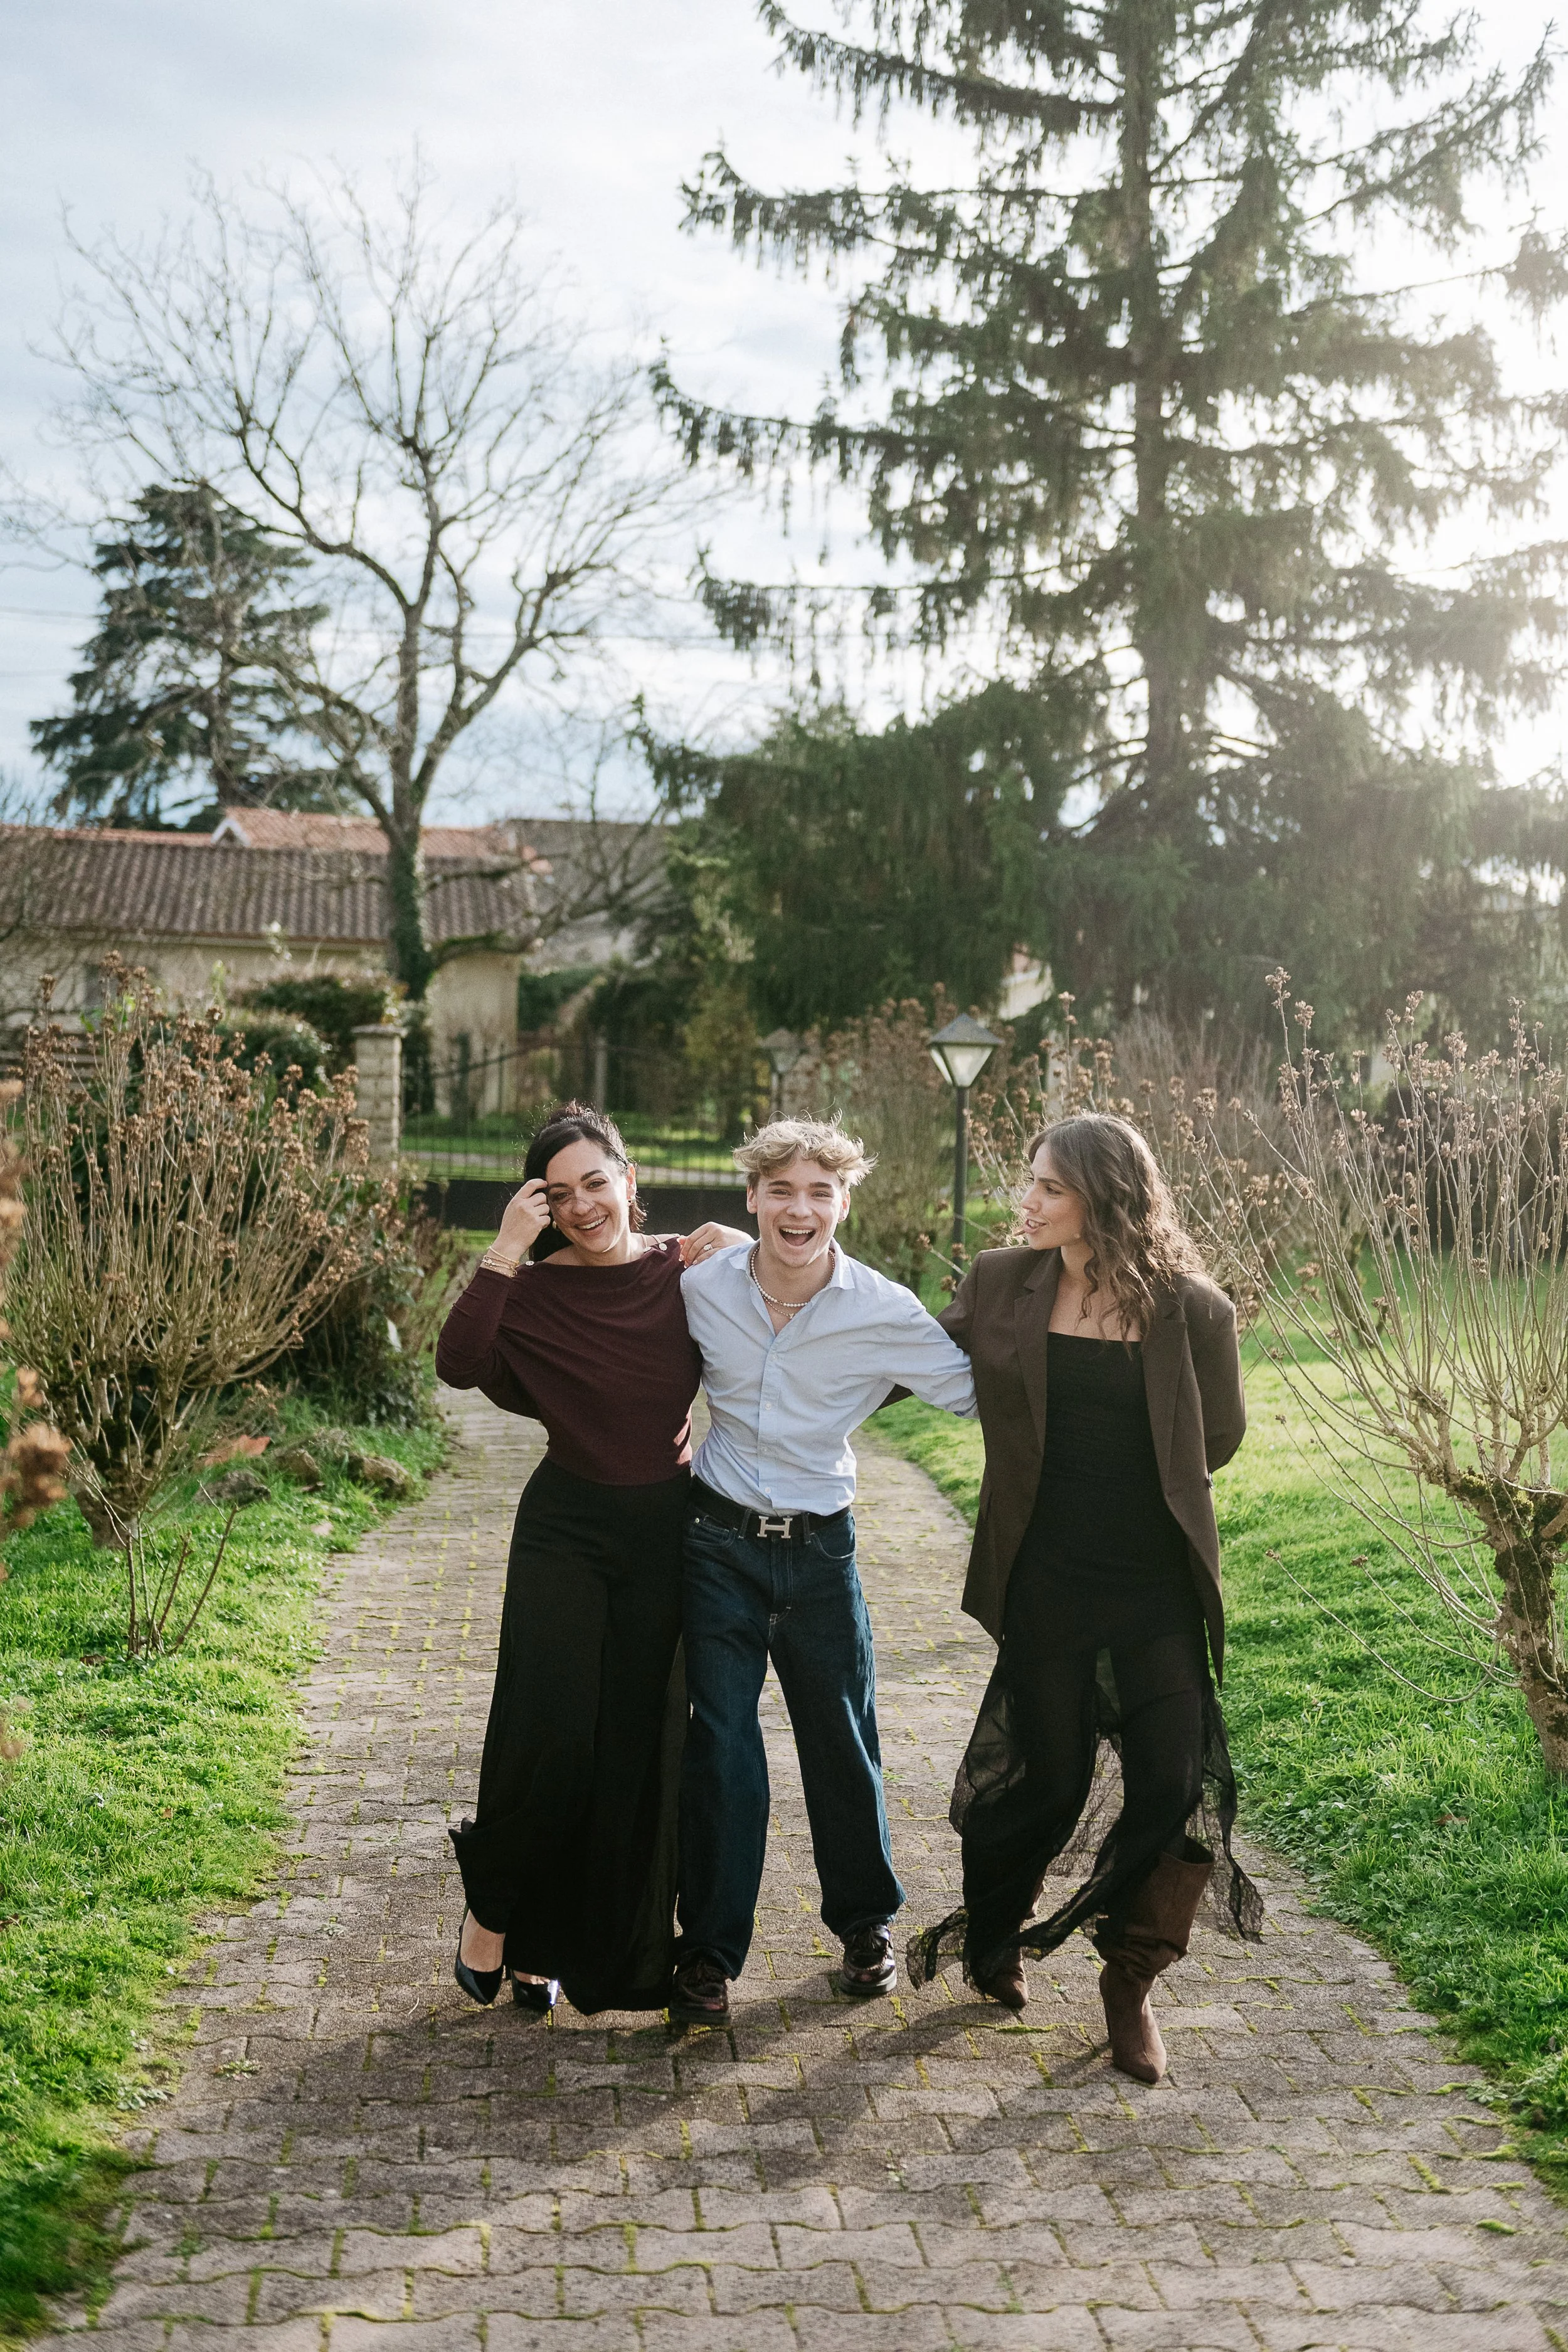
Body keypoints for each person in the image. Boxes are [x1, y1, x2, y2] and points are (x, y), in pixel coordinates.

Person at [908, 1112, 1263, 2083]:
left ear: (1103, 1198)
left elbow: (1217, 1437)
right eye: (1030, 1183)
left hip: (1152, 1582)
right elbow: (904, 1358)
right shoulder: (1001, 1285)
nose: (1027, 1201)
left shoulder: (1194, 1310)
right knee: (1053, 1777)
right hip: (1048, 1577)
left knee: (1173, 1778)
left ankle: (1132, 1978)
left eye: (1048, 1187)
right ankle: (993, 1929)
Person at [435, 1101, 746, 2017]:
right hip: (565, 1532)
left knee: (635, 1745)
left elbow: (791, 1309)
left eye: (596, 1185)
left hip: (666, 1532)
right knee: (551, 1734)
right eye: (558, 1195)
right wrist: (504, 1245)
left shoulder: (686, 1270)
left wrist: (740, 1244)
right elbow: (458, 1363)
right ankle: (496, 1915)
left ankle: (571, 1951)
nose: (581, 1206)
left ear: (630, 1180)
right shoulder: (529, 1292)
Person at [670, 1117, 978, 2026]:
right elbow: (622, 1270)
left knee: (843, 1742)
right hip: (716, 1542)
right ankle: (710, 1954)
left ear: (844, 1203)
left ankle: (866, 1925)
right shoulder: (701, 1285)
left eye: (819, 1192)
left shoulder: (882, 1308)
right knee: (721, 1747)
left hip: (822, 1548)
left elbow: (972, 1388)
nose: (799, 1209)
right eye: (781, 1190)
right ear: (754, 1197)